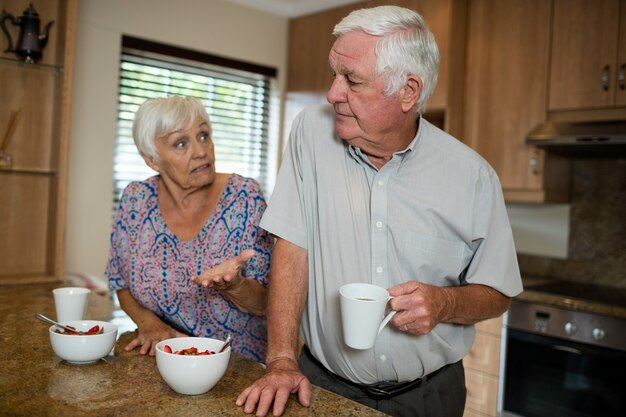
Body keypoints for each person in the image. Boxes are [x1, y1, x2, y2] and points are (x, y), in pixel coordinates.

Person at [236, 5, 523, 417]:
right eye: (335, 74)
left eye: (351, 80)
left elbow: (497, 294)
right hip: (322, 385)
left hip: (429, 397)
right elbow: (292, 244)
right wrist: (281, 360)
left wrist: (443, 304)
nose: (333, 93)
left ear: (408, 91)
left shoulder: (472, 177)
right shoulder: (310, 134)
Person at [105, 96, 273, 362]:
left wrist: (235, 286)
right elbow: (120, 282)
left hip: (237, 368)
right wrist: (149, 323)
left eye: (204, 135)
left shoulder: (244, 196)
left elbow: (266, 303)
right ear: (152, 159)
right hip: (163, 357)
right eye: (181, 143)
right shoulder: (136, 199)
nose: (201, 151)